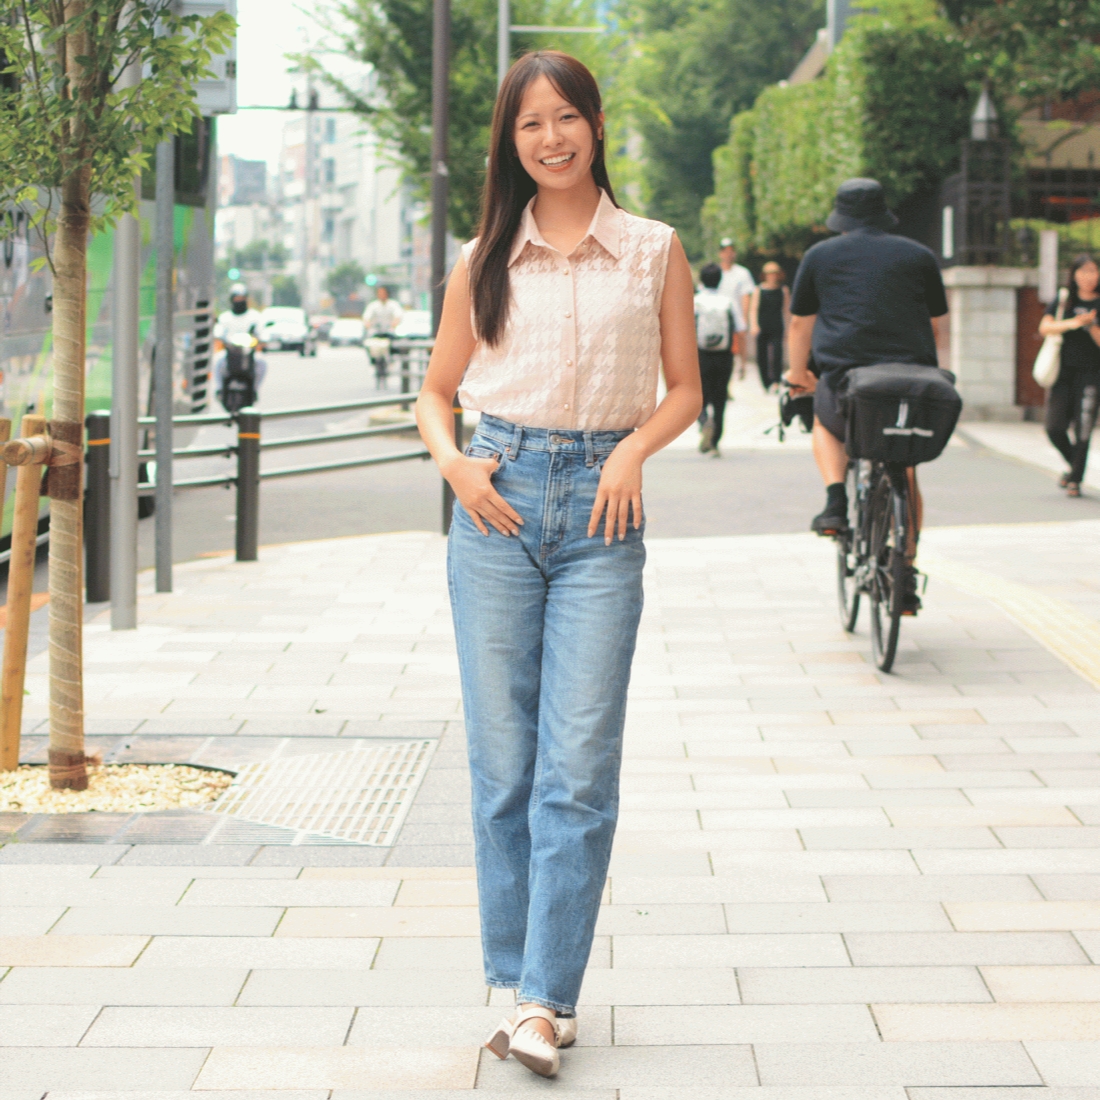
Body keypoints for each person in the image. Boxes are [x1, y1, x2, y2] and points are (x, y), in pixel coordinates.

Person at [415, 50, 700, 1079]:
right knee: (504, 765)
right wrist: (453, 466)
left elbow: (683, 388)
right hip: (495, 503)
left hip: (600, 513)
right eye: (530, 123)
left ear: (594, 124)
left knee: (577, 766)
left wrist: (629, 447)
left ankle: (541, 996)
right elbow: (436, 388)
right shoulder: (481, 255)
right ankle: (522, 972)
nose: (550, 137)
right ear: (510, 139)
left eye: (566, 117)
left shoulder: (652, 250)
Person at [785, 178, 947, 613]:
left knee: (825, 422)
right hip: (909, 380)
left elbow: (801, 324)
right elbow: (935, 325)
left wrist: (798, 374)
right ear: (883, 212)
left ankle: (836, 500)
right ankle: (906, 569)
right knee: (906, 471)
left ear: (840, 216)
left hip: (845, 378)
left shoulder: (821, 256)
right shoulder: (919, 255)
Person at [1040, 253, 1100, 497]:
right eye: (1083, 271)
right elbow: (1045, 327)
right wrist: (1074, 323)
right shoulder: (1064, 299)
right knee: (1054, 427)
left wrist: (1091, 326)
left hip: (1092, 376)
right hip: (1063, 375)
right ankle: (1074, 464)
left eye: (1093, 271)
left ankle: (1074, 479)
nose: (1088, 276)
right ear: (1074, 274)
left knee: (1083, 430)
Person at [695, 261, 744, 456]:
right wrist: (741, 360)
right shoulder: (728, 301)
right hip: (724, 356)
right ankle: (715, 443)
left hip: (701, 355)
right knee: (720, 397)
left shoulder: (695, 301)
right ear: (720, 280)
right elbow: (740, 329)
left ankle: (704, 422)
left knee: (699, 396)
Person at [718, 237, 755, 377]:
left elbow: (746, 295)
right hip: (719, 316)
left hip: (736, 314)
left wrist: (744, 318)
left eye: (731, 251)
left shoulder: (742, 273)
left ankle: (742, 365)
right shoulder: (716, 272)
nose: (728, 254)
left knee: (739, 341)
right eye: (725, 251)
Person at [750, 261, 790, 393]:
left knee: (777, 354)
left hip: (777, 325)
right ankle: (765, 382)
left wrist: (789, 328)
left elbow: (786, 310)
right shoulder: (759, 289)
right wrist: (754, 325)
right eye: (769, 274)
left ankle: (776, 381)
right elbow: (754, 309)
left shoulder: (783, 290)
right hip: (762, 325)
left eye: (774, 274)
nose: (772, 276)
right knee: (762, 355)